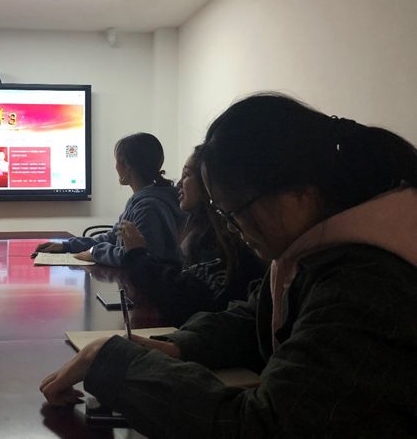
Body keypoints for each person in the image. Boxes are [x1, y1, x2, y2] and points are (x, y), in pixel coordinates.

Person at [40, 93, 417, 437]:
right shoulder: (315, 250)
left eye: (234, 210)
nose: (234, 228)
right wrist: (177, 346)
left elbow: (262, 427)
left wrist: (115, 365)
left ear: (298, 191)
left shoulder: (370, 284)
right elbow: (253, 319)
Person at [119, 147, 266, 326]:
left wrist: (136, 254)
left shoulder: (225, 240)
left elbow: (183, 299)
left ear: (208, 183)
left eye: (186, 175)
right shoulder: (199, 230)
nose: (178, 184)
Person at [34, 132, 185, 266]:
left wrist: (95, 253)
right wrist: (67, 246)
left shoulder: (148, 206)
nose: (115, 167)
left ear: (127, 166)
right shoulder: (144, 200)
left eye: (117, 161)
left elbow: (138, 257)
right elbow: (113, 238)